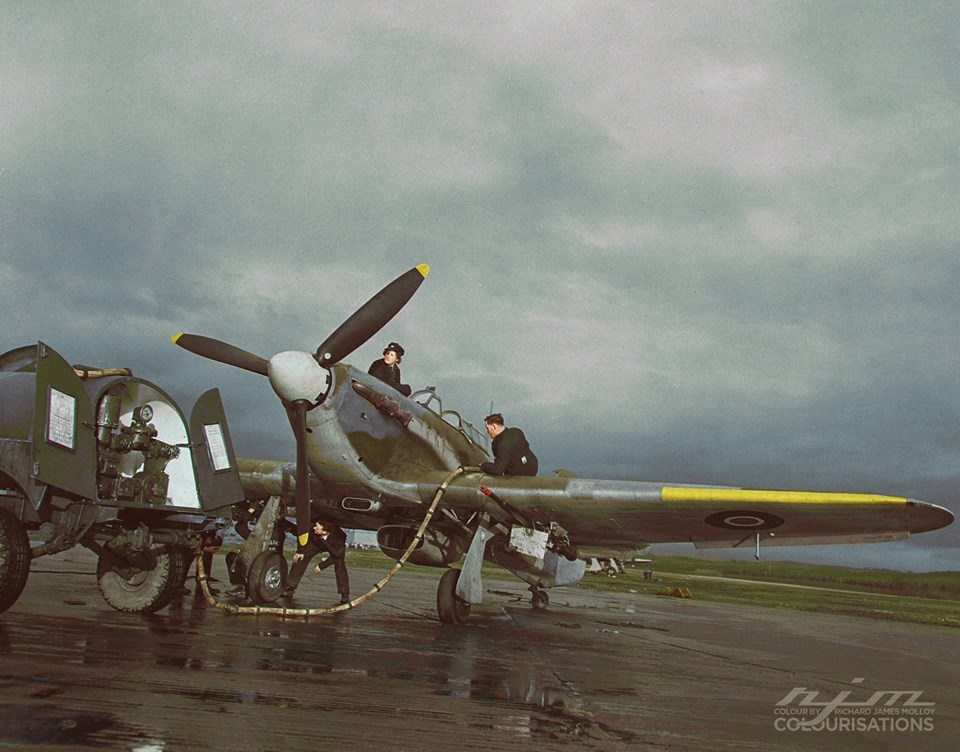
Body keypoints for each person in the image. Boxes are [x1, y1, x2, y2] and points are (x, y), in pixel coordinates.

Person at [281, 518, 350, 604]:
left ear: (324, 532)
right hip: (315, 543)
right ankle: (290, 587)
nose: (314, 528)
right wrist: (300, 551)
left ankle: (344, 594)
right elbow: (300, 534)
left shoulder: (339, 539)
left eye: (317, 528)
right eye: (315, 526)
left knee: (339, 562)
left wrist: (321, 566)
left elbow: (337, 556)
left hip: (331, 545)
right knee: (302, 557)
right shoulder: (311, 528)